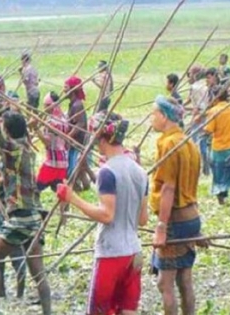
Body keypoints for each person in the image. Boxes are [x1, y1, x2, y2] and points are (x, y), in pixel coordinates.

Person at [56, 112, 148, 315]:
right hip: (134, 252)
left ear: (102, 138)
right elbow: (143, 219)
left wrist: (73, 198)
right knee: (127, 309)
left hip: (111, 254)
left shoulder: (107, 172)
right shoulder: (140, 172)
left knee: (99, 310)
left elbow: (107, 215)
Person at [0, 80, 51, 315]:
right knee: (38, 272)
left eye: (4, 127)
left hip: (21, 217)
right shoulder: (26, 149)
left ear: (9, 131)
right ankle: (48, 312)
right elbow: (5, 176)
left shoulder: (13, 149)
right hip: (35, 216)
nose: (1, 130)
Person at [150, 95, 206, 315]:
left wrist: (162, 227)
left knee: (165, 283)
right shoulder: (189, 142)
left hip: (174, 218)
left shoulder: (169, 144)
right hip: (191, 217)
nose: (151, 120)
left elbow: (168, 188)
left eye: (154, 115)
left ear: (164, 116)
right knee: (185, 280)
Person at [204, 90, 230, 206]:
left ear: (216, 98)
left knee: (218, 175)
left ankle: (221, 201)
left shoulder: (213, 111)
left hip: (218, 148)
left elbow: (209, 130)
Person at [34, 92, 69, 192]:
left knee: (36, 189)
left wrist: (36, 129)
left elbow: (47, 143)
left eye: (47, 106)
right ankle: (64, 208)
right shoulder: (64, 118)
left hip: (52, 162)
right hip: (63, 161)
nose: (45, 108)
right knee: (60, 191)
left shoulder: (51, 122)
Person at [65, 76, 93, 191]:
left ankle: (77, 189)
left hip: (79, 142)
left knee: (74, 169)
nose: (64, 91)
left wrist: (68, 136)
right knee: (80, 168)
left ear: (72, 89)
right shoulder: (72, 104)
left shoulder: (77, 105)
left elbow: (80, 124)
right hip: (75, 141)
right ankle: (86, 187)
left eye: (66, 88)